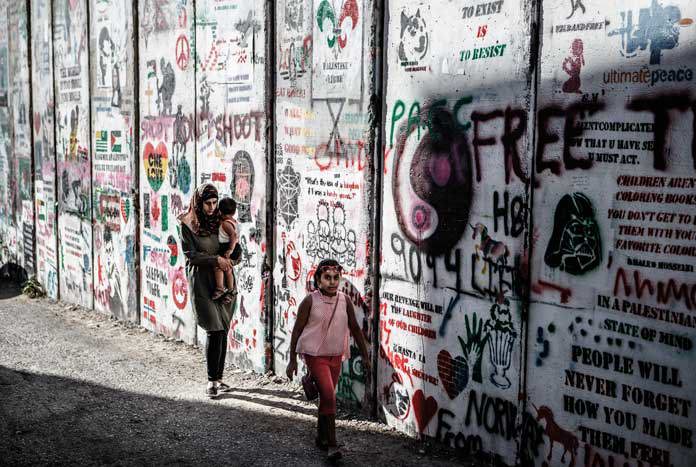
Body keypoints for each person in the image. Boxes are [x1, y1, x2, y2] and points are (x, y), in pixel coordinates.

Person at [286, 259, 370, 461]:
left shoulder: (344, 300)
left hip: (336, 356)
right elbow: (297, 330)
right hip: (315, 357)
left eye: (336, 278)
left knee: (326, 397)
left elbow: (356, 330)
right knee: (330, 397)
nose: (332, 282)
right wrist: (292, 360)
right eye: (327, 278)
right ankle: (332, 445)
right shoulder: (310, 301)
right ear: (318, 280)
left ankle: (321, 437)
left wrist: (366, 356)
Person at [178, 183, 237, 399]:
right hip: (203, 282)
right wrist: (216, 259)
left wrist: (231, 258)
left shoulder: (221, 220)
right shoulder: (187, 223)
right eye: (207, 203)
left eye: (214, 202)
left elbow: (234, 246)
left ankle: (219, 378)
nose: (212, 207)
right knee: (213, 328)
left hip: (224, 280)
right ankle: (212, 381)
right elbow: (191, 254)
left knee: (223, 329)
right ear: (199, 202)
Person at [212, 197, 239, 300]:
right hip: (234, 248)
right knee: (228, 269)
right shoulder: (233, 221)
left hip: (227, 247)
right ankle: (231, 290)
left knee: (218, 267)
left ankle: (220, 288)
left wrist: (230, 250)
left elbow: (233, 236)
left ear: (220, 211)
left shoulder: (226, 224)